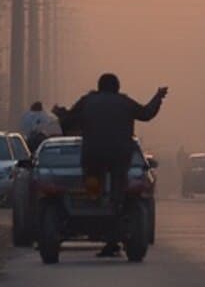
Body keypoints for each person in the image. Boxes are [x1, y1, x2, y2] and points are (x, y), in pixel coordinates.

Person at [58, 74, 167, 256]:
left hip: (93, 152)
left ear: (99, 87)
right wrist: (158, 97)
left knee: (92, 175)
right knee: (119, 179)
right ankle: (116, 203)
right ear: (117, 87)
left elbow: (68, 120)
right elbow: (147, 113)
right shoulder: (124, 102)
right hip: (120, 153)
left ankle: (93, 198)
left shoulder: (88, 101)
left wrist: (62, 114)